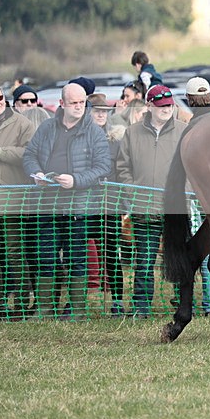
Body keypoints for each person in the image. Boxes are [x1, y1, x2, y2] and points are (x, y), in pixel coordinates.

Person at [22, 83, 111, 321]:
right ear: (62, 104)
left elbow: (103, 166)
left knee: (77, 259)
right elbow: (29, 155)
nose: (79, 107)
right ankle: (44, 309)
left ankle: (77, 310)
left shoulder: (94, 132)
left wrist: (76, 180)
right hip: (47, 205)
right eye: (74, 103)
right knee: (46, 257)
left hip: (78, 207)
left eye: (82, 102)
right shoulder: (46, 127)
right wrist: (37, 174)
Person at [116, 84, 187, 318]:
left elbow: (192, 167)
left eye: (169, 105)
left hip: (175, 209)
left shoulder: (183, 132)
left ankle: (184, 305)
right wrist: (131, 190)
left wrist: (183, 190)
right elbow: (123, 166)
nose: (166, 109)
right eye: (161, 105)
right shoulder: (132, 133)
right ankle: (142, 307)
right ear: (149, 106)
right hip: (144, 208)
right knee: (144, 262)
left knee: (178, 260)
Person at [0, 81, 35, 320]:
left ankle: (24, 304)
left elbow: (31, 154)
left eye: (0, 98)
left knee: (15, 252)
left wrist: (0, 153)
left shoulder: (21, 123)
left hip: (11, 200)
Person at [86, 93, 127, 316]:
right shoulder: (78, 139)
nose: (101, 114)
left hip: (109, 205)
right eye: (96, 110)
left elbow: (121, 173)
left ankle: (117, 300)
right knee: (77, 252)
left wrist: (123, 202)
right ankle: (74, 302)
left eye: (104, 111)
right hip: (83, 204)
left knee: (112, 252)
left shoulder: (115, 140)